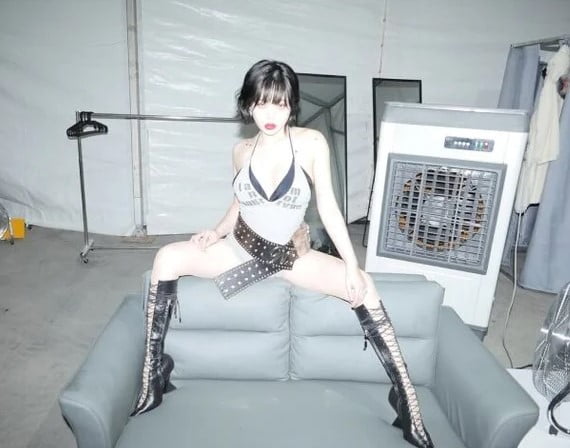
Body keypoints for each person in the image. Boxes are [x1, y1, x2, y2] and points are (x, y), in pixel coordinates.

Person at [131, 59, 433, 448]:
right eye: (261, 104)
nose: (271, 115)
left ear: (292, 105)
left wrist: (352, 265)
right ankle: (153, 376)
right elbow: (238, 203)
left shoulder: (311, 143)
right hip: (241, 248)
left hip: (291, 257)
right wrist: (216, 231)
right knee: (167, 258)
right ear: (248, 104)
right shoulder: (241, 151)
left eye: (280, 104)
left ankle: (407, 402)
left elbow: (328, 207)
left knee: (365, 285)